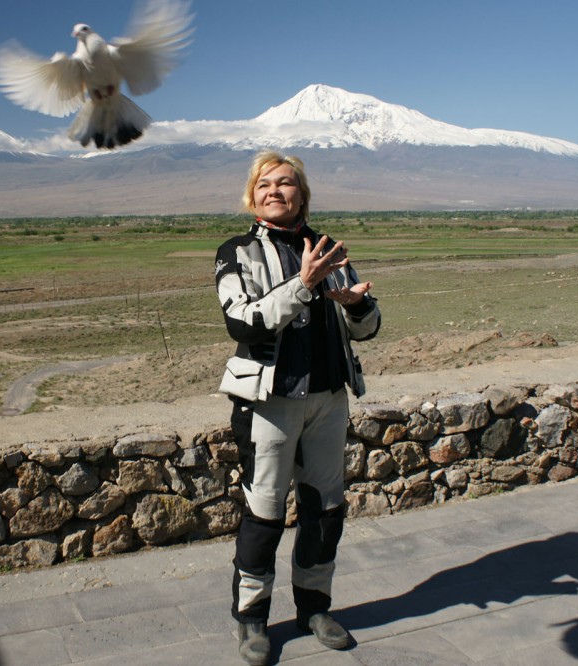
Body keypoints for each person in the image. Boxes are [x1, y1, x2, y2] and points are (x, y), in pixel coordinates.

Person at [214, 151, 381, 664]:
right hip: (271, 402)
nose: (275, 191)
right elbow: (243, 322)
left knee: (325, 510)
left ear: (302, 195)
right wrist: (304, 284)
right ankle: (252, 619)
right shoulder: (235, 251)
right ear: (252, 195)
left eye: (286, 183)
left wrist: (356, 305)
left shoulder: (329, 249)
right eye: (265, 184)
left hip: (329, 399)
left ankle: (315, 606)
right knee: (264, 513)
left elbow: (368, 329)